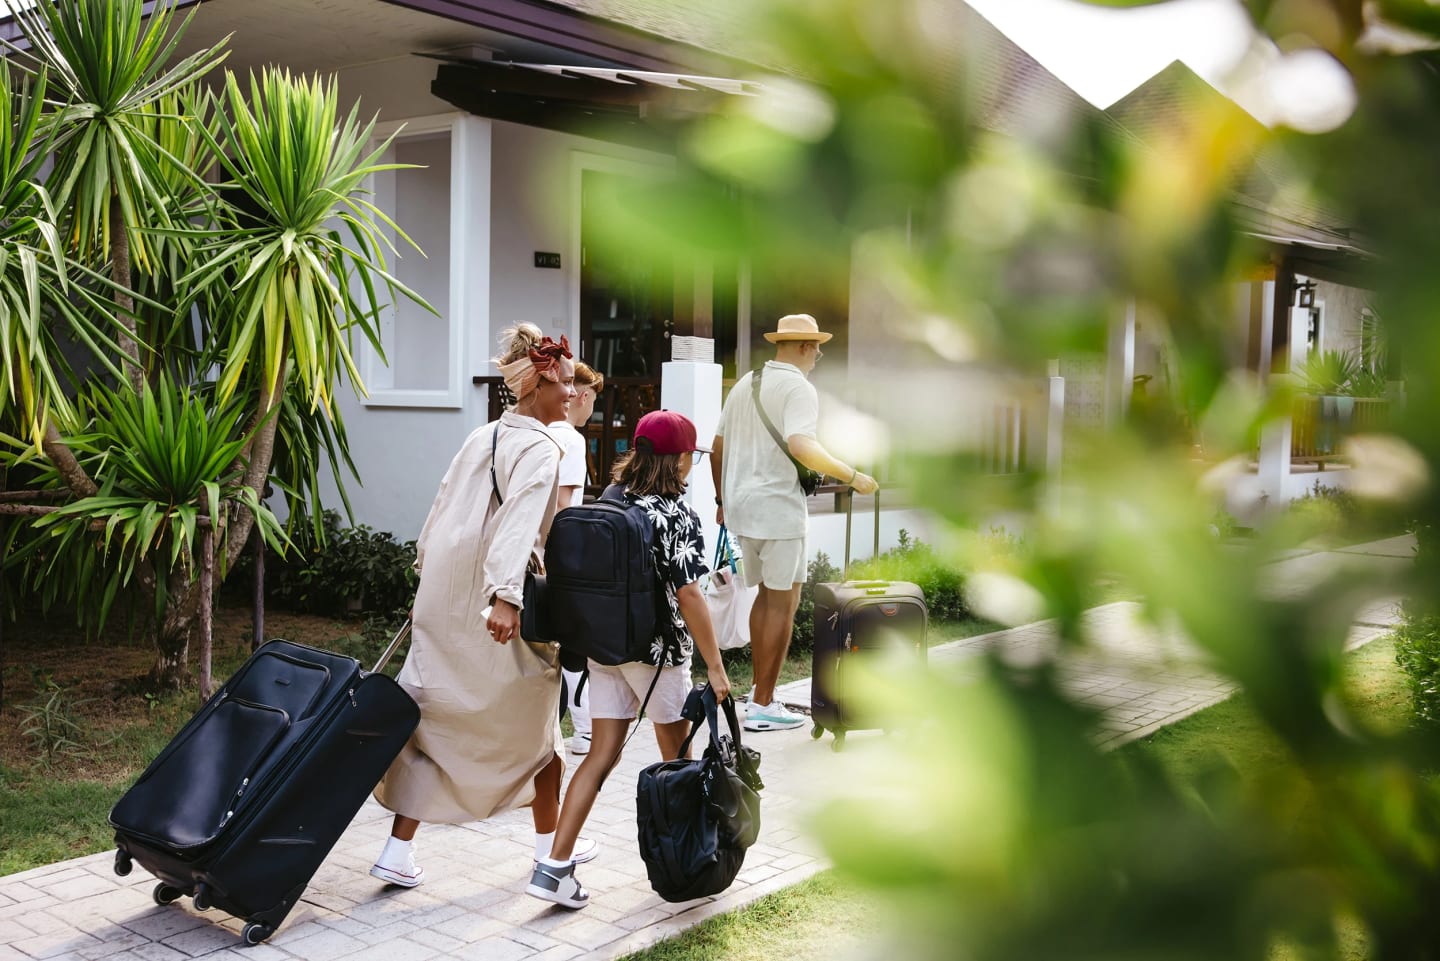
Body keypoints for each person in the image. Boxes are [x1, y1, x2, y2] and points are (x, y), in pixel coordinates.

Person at [369, 323, 598, 887]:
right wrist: (506, 597)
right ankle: (551, 854)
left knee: (434, 724)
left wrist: (425, 581)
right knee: (538, 727)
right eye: (564, 383)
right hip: (493, 605)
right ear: (535, 386)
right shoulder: (544, 449)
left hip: (444, 596)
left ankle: (397, 854)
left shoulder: (483, 436)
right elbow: (519, 525)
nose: (572, 394)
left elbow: (439, 513)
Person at [527, 410, 733, 910]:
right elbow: (689, 594)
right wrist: (717, 666)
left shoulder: (610, 501)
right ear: (680, 459)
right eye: (690, 457)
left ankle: (552, 867)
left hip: (604, 650)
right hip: (657, 656)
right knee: (678, 764)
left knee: (601, 754)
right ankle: (689, 865)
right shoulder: (674, 513)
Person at [710, 313, 878, 732]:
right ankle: (764, 704)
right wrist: (853, 477)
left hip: (743, 511)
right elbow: (802, 445)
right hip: (779, 511)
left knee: (764, 600)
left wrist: (722, 499)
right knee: (783, 604)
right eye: (816, 346)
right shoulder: (799, 388)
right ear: (803, 347)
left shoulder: (746, 383)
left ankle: (757, 695)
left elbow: (716, 448)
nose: (819, 354)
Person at [549, 362, 604, 757]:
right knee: (574, 645)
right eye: (592, 402)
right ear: (582, 396)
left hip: (528, 553)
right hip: (560, 555)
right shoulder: (571, 438)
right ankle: (584, 730)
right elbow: (564, 506)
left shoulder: (538, 429)